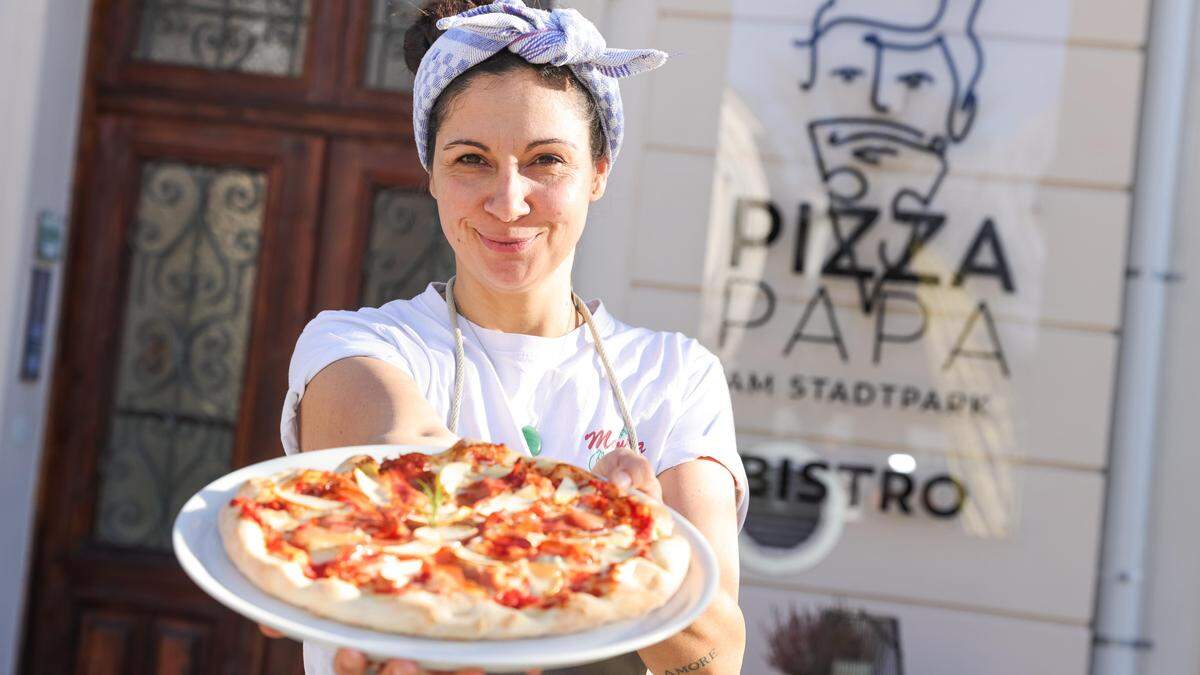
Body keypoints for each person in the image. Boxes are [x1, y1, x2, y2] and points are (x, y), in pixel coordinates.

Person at [258, 1, 749, 673]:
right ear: (430, 171)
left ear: (599, 172)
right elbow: (412, 461)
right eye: (471, 160)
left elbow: (714, 659)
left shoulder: (673, 376)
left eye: (546, 159)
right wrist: (582, 525)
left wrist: (635, 540)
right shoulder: (354, 347)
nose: (509, 200)